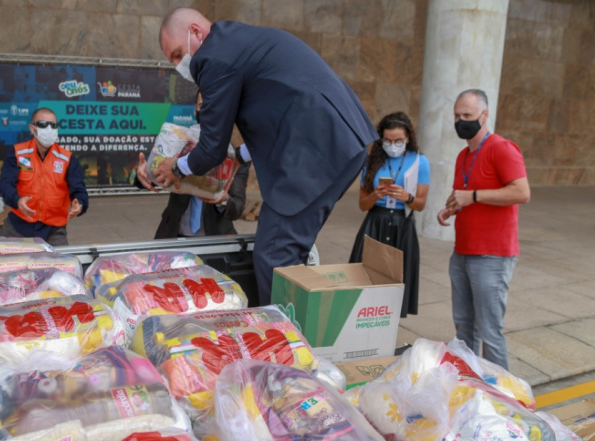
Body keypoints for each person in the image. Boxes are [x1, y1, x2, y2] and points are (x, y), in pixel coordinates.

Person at [147, 7, 378, 305]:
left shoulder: (213, 57)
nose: (180, 65)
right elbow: (265, 118)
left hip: (317, 148)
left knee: (275, 251)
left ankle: (283, 341)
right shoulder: (237, 42)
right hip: (337, 139)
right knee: (286, 252)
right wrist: (238, 159)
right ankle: (299, 328)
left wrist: (176, 167)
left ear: (195, 31)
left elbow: (212, 148)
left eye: (178, 54)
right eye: (173, 60)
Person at [436, 89, 530, 370]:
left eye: (467, 115)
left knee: (490, 332)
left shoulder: (502, 148)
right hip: (463, 252)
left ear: (484, 116)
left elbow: (522, 192)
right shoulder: (464, 155)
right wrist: (451, 208)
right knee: (465, 330)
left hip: (492, 256)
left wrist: (474, 195)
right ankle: (474, 387)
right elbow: (465, 194)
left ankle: (504, 397)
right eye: (457, 116)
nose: (461, 121)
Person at [134, 91, 248, 239]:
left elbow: (237, 208)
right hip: (173, 237)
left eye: (212, 106)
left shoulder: (234, 158)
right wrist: (144, 174)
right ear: (195, 111)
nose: (207, 110)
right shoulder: (178, 143)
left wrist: (223, 199)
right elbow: (156, 175)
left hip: (213, 242)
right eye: (202, 105)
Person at [350, 112, 430, 317]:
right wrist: (376, 195)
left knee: (397, 281)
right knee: (365, 277)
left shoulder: (419, 162)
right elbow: (362, 204)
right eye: (387, 140)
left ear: (408, 138)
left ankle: (389, 322)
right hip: (375, 221)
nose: (393, 145)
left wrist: (407, 197)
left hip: (402, 225)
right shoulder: (372, 162)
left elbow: (420, 204)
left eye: (398, 141)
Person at [0, 107, 88, 246]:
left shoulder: (67, 159)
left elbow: (79, 190)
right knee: (1, 263)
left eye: (53, 125)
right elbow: (5, 184)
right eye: (43, 124)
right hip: (17, 226)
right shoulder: (18, 153)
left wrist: (80, 205)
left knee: (62, 266)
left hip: (54, 230)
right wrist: (17, 201)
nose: (49, 129)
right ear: (32, 128)